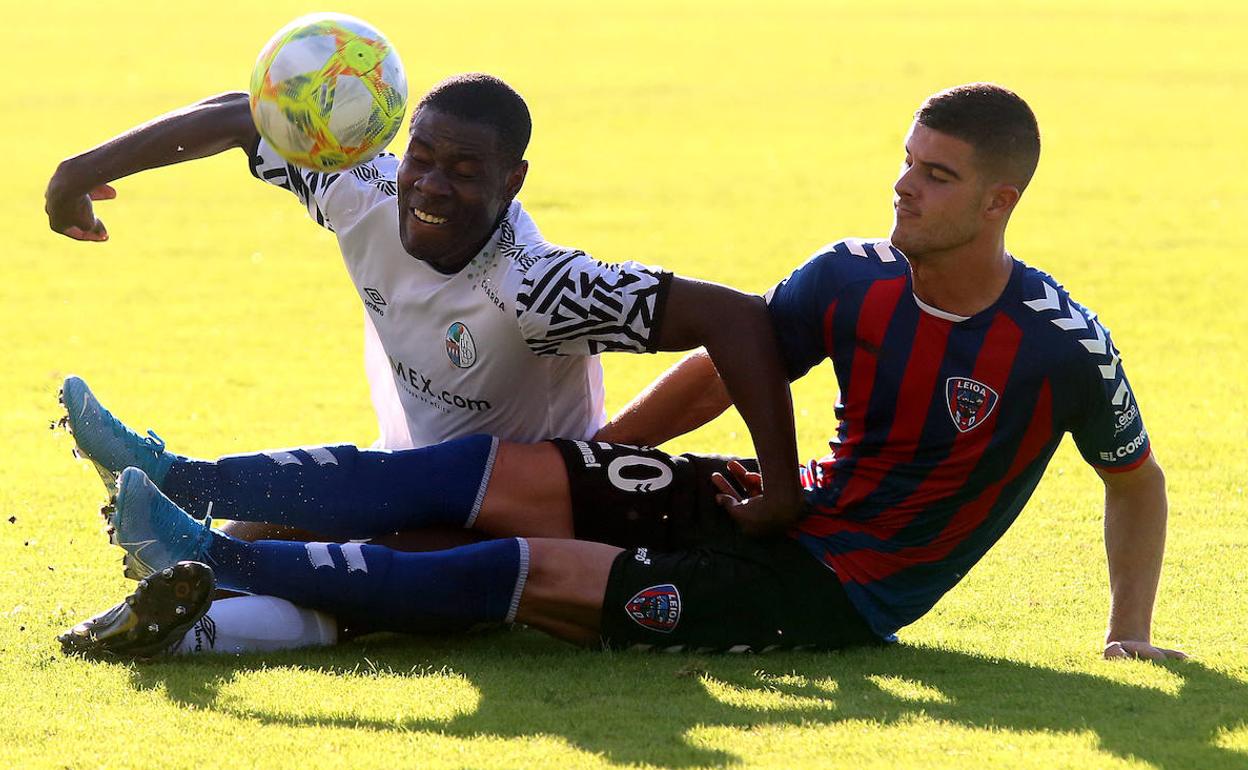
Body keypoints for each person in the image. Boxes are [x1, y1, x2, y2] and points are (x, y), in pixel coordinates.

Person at [61, 83, 1185, 661]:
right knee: (499, 473)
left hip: (828, 594)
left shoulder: (1059, 344)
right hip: (764, 503)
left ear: (1002, 200)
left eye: (934, 178)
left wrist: (1126, 632)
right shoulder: (854, 276)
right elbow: (727, 361)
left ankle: (208, 565)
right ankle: (187, 479)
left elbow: (1134, 477)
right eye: (904, 164)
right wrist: (605, 457)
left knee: (529, 562)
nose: (903, 190)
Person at [49, 73, 802, 653]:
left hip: (519, 515)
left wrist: (777, 484)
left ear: (513, 181)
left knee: (366, 572)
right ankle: (160, 606)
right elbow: (245, 116)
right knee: (251, 540)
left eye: (467, 170)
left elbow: (733, 316)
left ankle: (188, 628)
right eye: (423, 156)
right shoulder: (363, 188)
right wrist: (80, 170)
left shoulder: (538, 286)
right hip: (398, 474)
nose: (432, 185)